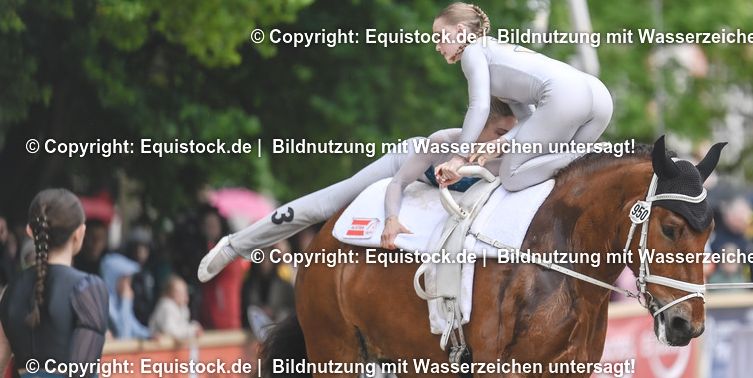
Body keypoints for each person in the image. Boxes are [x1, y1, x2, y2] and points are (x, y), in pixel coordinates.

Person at [198, 100, 517, 281]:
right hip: (402, 167)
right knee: (323, 207)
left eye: (511, 136)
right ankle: (235, 245)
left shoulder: (504, 160)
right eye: (500, 133)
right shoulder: (441, 142)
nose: (504, 143)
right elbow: (399, 184)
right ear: (477, 125)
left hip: (437, 192)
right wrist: (391, 218)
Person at [431, 2, 613, 192]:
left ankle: (595, 152)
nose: (437, 46)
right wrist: (504, 141)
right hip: (598, 93)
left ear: (460, 30)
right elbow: (528, 117)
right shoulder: (496, 50)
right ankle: (599, 154)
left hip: (566, 95)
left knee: (512, 176)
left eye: (439, 37)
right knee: (568, 169)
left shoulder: (473, 51)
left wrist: (459, 157)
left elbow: (480, 106)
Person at [0, 189, 109, 378]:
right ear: (79, 233)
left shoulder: (7, 294)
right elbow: (80, 372)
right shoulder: (88, 287)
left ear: (30, 232)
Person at [100, 253, 152, 340]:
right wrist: (126, 302)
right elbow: (123, 334)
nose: (129, 283)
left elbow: (133, 326)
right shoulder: (105, 300)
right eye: (126, 279)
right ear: (115, 278)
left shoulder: (120, 298)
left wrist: (149, 334)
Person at [148, 275, 202, 340]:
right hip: (158, 346)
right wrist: (191, 331)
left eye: (185, 291)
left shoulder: (183, 307)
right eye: (180, 293)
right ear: (170, 293)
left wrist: (194, 328)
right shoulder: (167, 306)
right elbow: (170, 331)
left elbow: (182, 326)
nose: (185, 295)